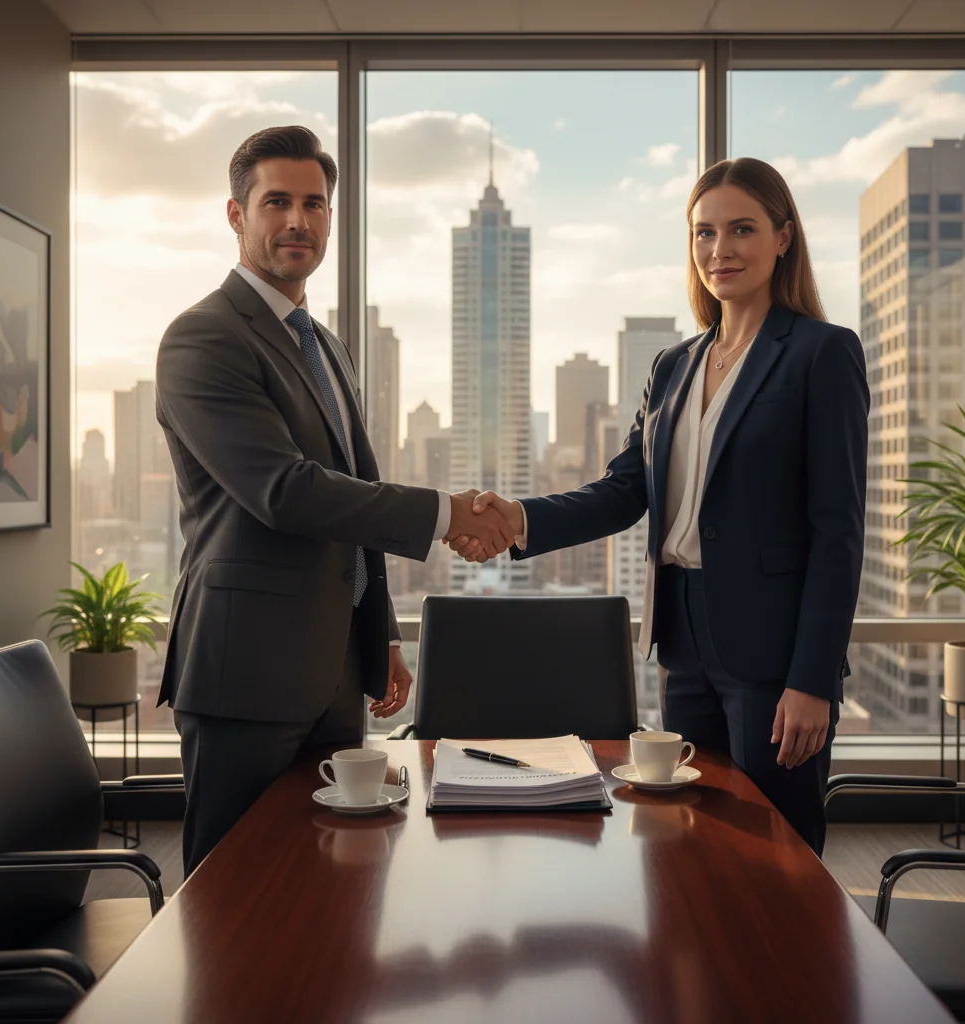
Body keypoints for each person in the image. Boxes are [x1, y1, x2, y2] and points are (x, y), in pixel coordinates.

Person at [452, 157, 868, 855]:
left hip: (773, 652)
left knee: (778, 852)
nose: (720, 250)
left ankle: (786, 969)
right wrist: (517, 519)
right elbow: (625, 490)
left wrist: (813, 680)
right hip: (682, 641)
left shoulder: (821, 354)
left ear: (783, 237)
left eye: (742, 229)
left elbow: (838, 533)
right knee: (694, 840)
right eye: (704, 233)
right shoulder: (674, 365)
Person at [156, 126, 514, 876]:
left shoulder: (324, 344)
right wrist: (448, 515)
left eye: (314, 204)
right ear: (236, 214)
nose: (299, 221)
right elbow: (285, 493)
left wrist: (377, 633)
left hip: (332, 672)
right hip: (246, 672)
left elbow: (353, 478)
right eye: (277, 201)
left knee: (331, 883)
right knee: (233, 892)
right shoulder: (203, 337)